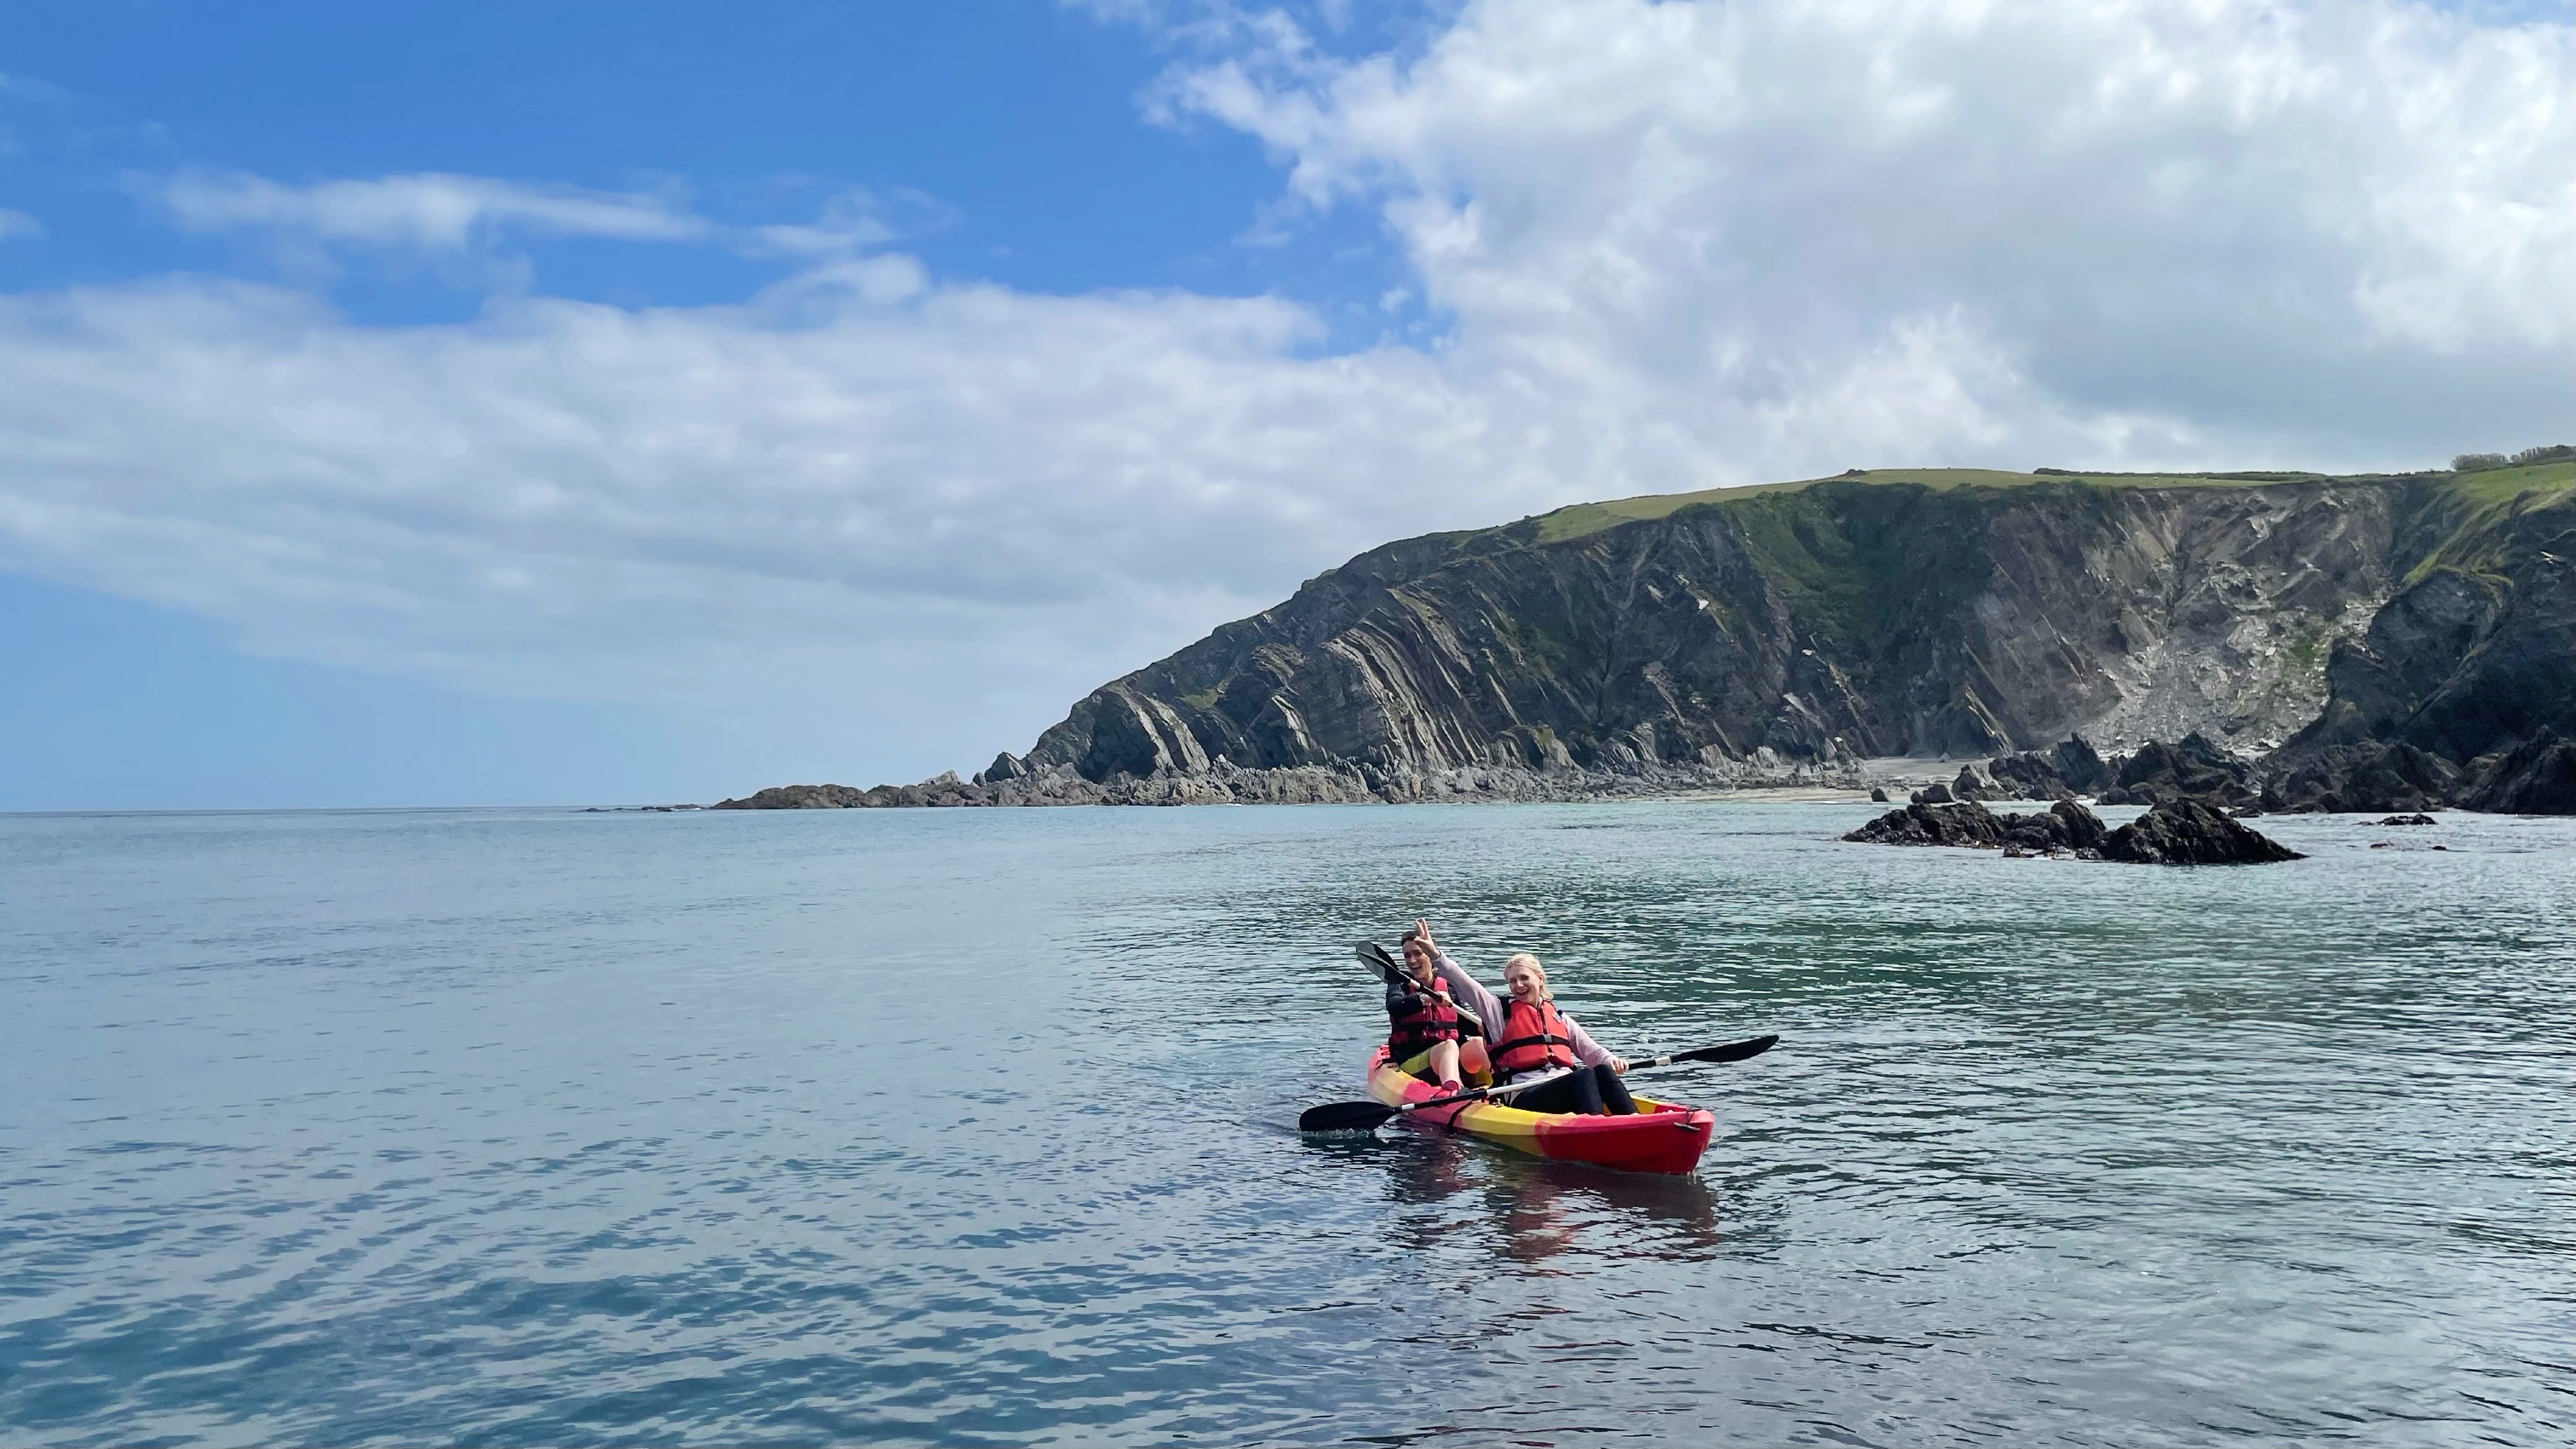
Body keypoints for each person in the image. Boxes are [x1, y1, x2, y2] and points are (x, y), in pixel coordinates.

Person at [1415, 921, 1636, 1117]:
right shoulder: (1497, 1012)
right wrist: (1436, 955)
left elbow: (1592, 1052)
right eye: (1512, 981)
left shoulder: (1560, 1018)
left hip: (1561, 1090)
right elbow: (1465, 983)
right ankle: (1594, 1128)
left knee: (1601, 1070)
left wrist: (1612, 1060)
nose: (1518, 985)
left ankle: (1633, 1120)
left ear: (1539, 979)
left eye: (1524, 978)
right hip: (1524, 1098)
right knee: (1585, 1075)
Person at [1383, 925, 1467, 1091]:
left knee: (1477, 1043)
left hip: (1446, 1058)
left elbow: (1463, 1026)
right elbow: (1394, 1007)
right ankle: (1454, 1092)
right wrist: (1426, 998)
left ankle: (1494, 1086)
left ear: (1430, 955)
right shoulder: (1399, 983)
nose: (1412, 961)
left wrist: (1484, 1028)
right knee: (1449, 1045)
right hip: (1411, 1061)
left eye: (1418, 953)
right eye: (1407, 955)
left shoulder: (1448, 985)